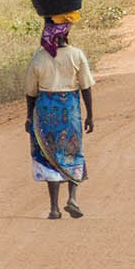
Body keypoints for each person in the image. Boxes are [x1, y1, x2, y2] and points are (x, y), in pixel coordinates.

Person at [24, 15, 94, 219]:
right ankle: (72, 198)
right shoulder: (76, 55)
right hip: (69, 109)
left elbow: (31, 92)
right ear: (66, 32)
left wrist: (29, 117)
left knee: (48, 155)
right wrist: (90, 115)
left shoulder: (39, 57)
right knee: (72, 150)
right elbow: (86, 87)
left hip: (45, 111)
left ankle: (54, 208)